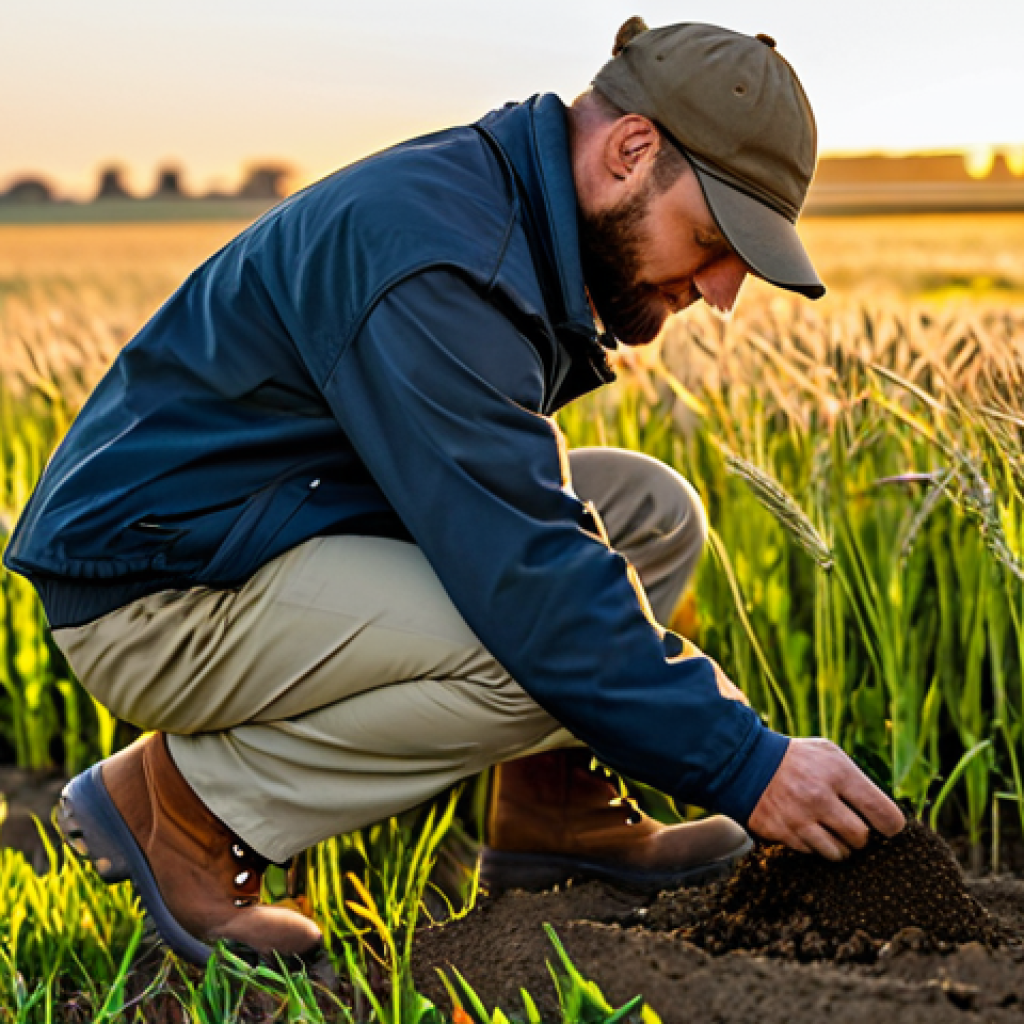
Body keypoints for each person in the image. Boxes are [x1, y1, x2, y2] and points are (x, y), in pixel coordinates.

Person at [4, 18, 904, 966]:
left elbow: (519, 528)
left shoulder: (495, 206)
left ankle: (557, 819)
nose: (722, 292)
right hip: (166, 590)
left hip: (274, 524)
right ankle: (185, 809)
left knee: (648, 510)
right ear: (631, 151)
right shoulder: (441, 258)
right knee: (532, 648)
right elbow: (531, 587)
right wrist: (749, 765)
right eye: (715, 239)